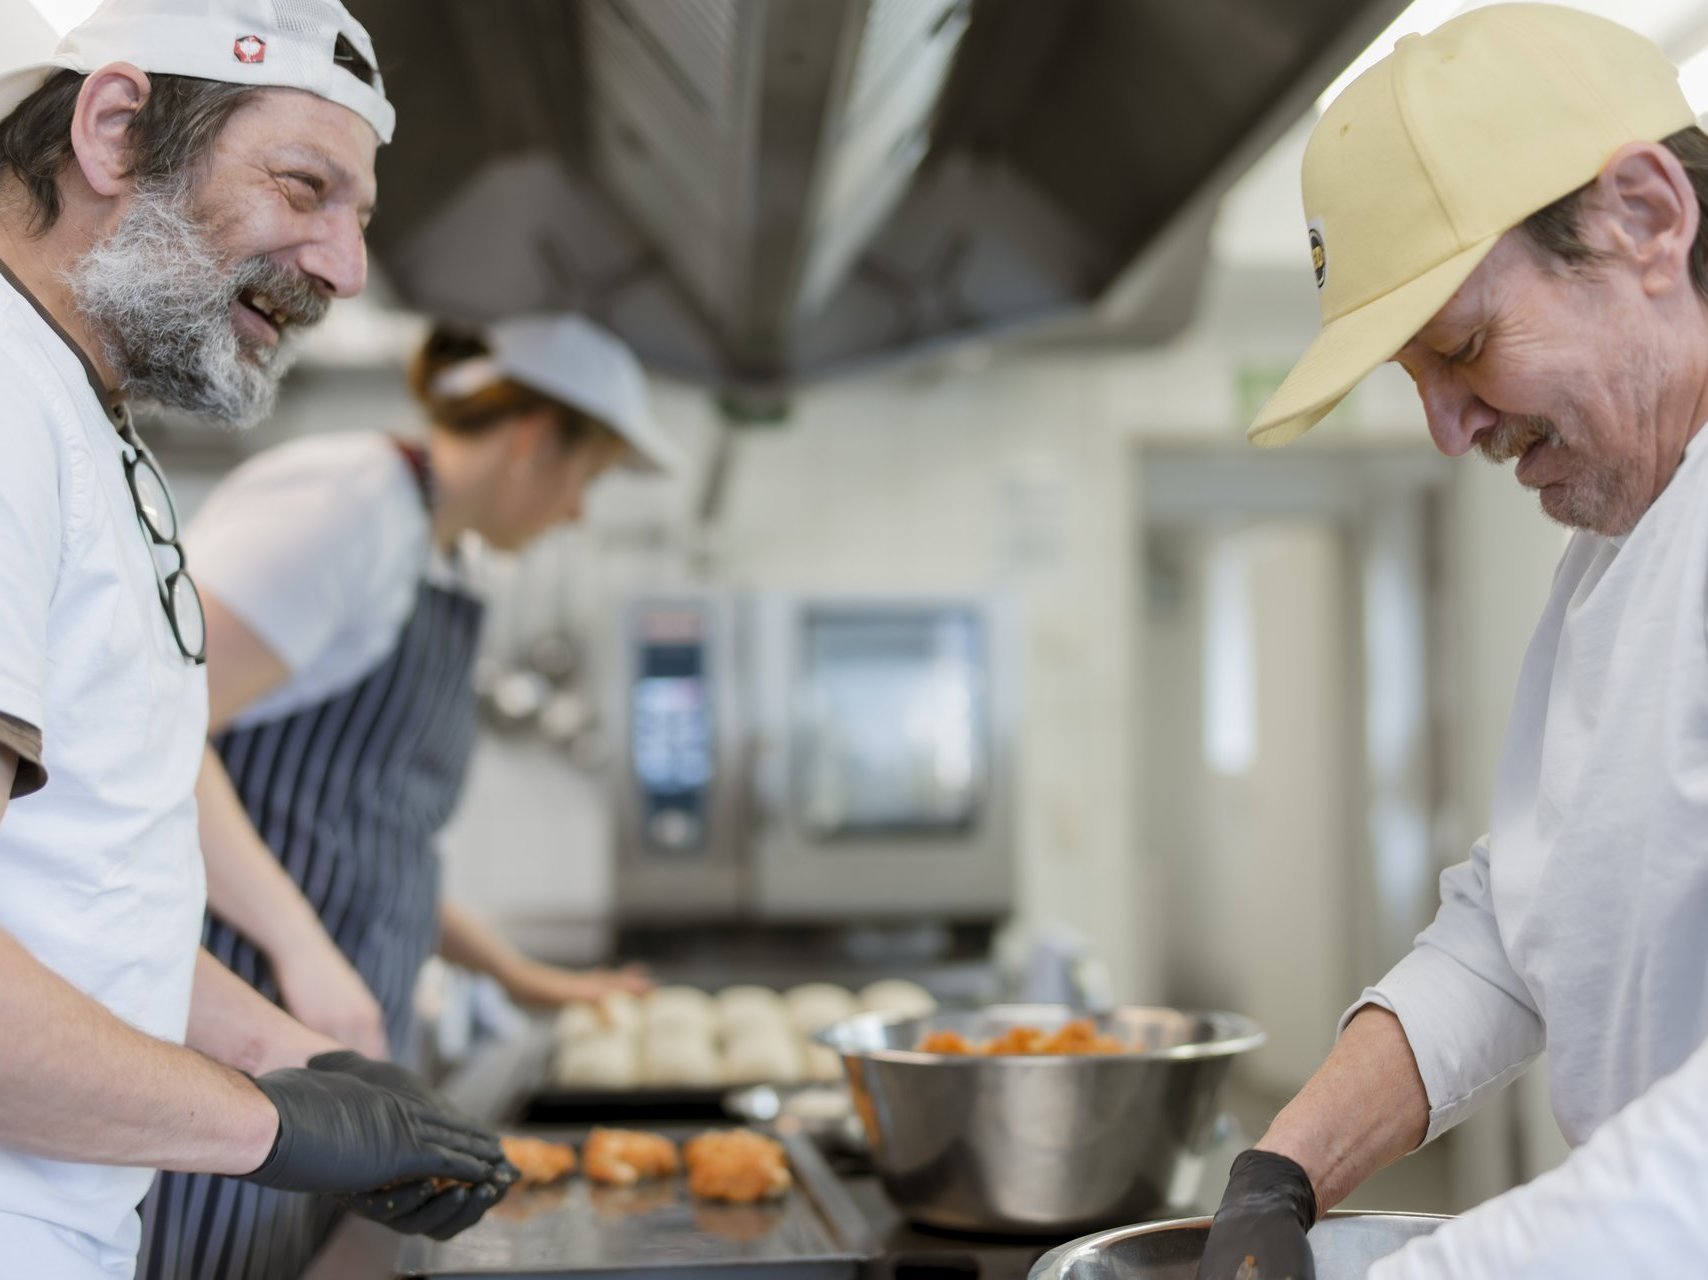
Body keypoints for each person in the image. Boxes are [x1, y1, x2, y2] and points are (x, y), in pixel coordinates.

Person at [0, 2, 518, 1276]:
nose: (343, 269)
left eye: (359, 216)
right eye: (304, 184)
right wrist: (271, 1125)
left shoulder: (78, 419)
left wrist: (297, 1059)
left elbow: (90, 904)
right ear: (115, 130)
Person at [1199, 6, 1708, 1277]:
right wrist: (1285, 1167)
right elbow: (1525, 917)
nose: (1446, 428)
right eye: (1415, 377)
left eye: (1466, 346)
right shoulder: (1617, 546)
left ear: (1644, 218)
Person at [138, 313, 680, 1278]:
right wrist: (308, 952)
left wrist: (521, 977)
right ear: (532, 440)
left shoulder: (444, 556)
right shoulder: (348, 507)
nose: (577, 516)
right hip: (236, 1021)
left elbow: (374, 837)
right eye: (587, 479)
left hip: (332, 1040)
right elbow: (161, 731)